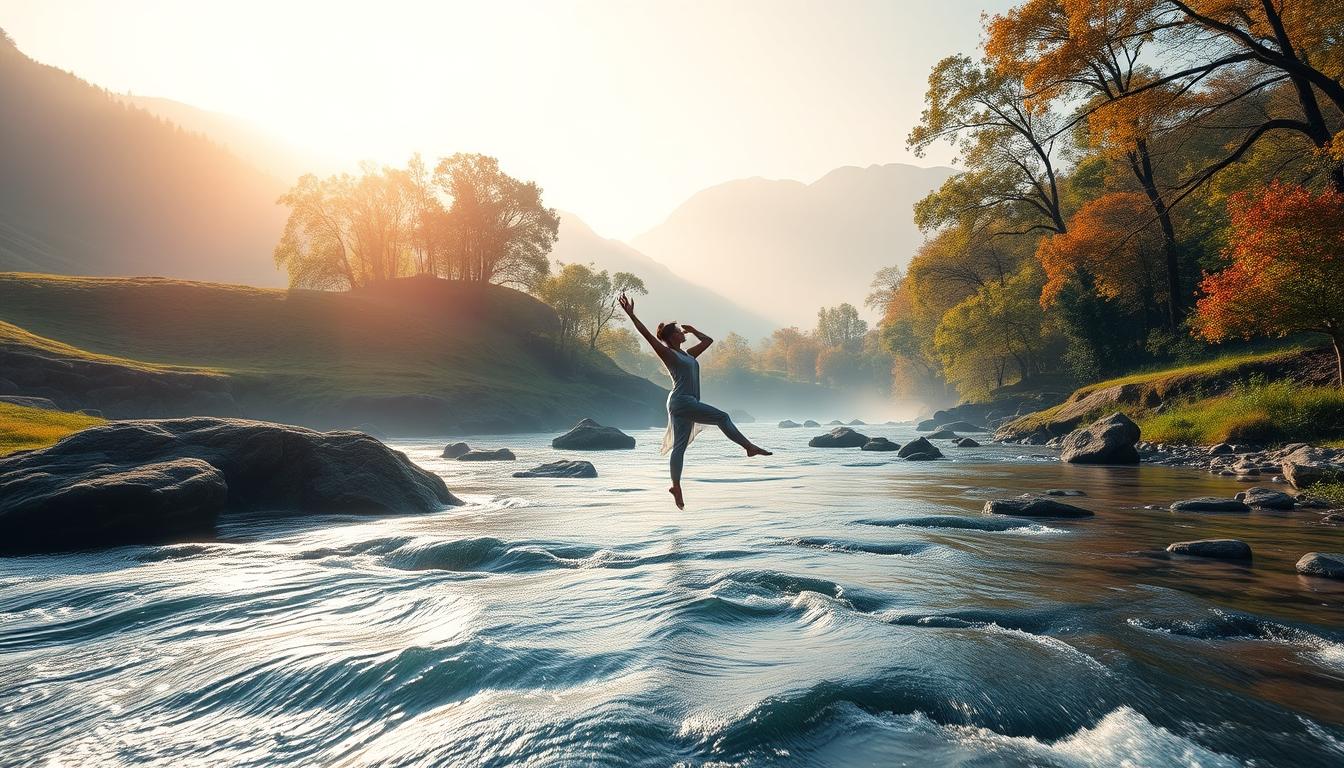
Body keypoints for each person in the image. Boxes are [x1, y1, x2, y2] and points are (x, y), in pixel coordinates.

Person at [618, 291, 771, 508]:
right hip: (682, 401)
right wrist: (632, 315)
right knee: (722, 417)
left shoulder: (688, 354)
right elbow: (647, 335)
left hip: (682, 402)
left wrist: (694, 330)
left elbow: (708, 341)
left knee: (680, 446)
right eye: (679, 332)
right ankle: (749, 447)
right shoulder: (668, 354)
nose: (683, 333)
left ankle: (676, 486)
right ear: (671, 337)